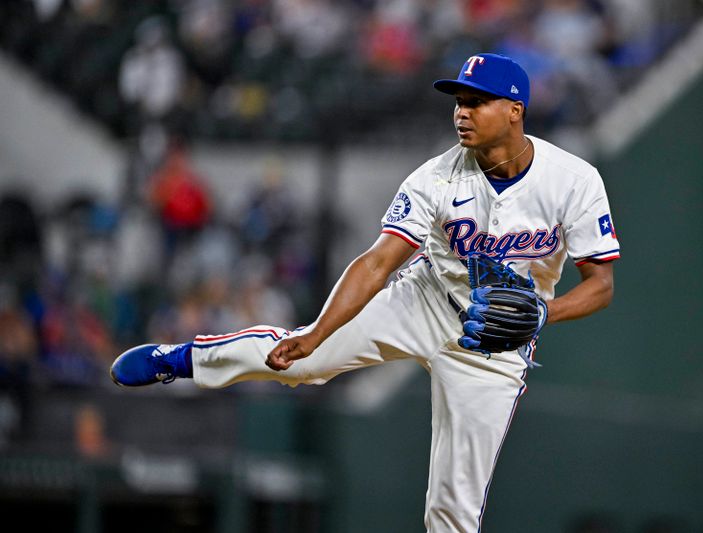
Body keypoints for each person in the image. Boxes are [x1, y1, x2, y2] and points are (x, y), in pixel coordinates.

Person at [110, 53, 620, 532]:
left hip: (496, 344)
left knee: (454, 508)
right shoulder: (434, 179)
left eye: (476, 102)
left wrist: (542, 315)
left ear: (515, 110)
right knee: (301, 361)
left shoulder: (574, 181)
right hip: (423, 300)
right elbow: (377, 262)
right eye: (458, 103)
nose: (461, 114)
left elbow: (600, 285)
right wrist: (318, 334)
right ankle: (180, 359)